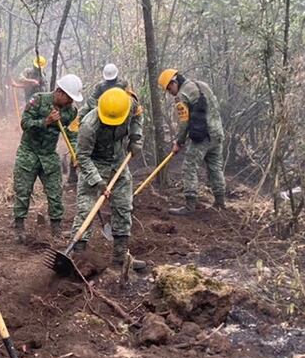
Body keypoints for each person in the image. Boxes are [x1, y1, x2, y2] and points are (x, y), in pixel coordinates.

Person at [72, 88, 147, 271]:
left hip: (118, 162)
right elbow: (82, 157)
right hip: (95, 163)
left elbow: (138, 117)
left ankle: (120, 259)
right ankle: (77, 259)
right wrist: (98, 181)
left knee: (123, 207)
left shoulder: (130, 105)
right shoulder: (89, 125)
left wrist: (136, 138)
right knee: (86, 210)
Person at [12, 74, 83, 243]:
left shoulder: (71, 112)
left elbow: (72, 134)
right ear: (60, 92)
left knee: (55, 193)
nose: (71, 102)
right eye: (69, 98)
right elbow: (25, 124)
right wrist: (46, 121)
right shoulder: (38, 100)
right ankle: (19, 228)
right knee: (23, 192)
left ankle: (56, 229)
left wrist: (76, 153)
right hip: (28, 153)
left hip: (49, 155)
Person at [158, 68, 226, 215]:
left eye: (170, 88)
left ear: (175, 82)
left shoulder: (182, 96)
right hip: (218, 133)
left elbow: (184, 123)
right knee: (215, 167)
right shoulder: (202, 85)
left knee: (189, 166)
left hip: (203, 137)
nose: (171, 92)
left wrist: (179, 142)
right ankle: (220, 202)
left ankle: (189, 206)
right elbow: (215, 106)